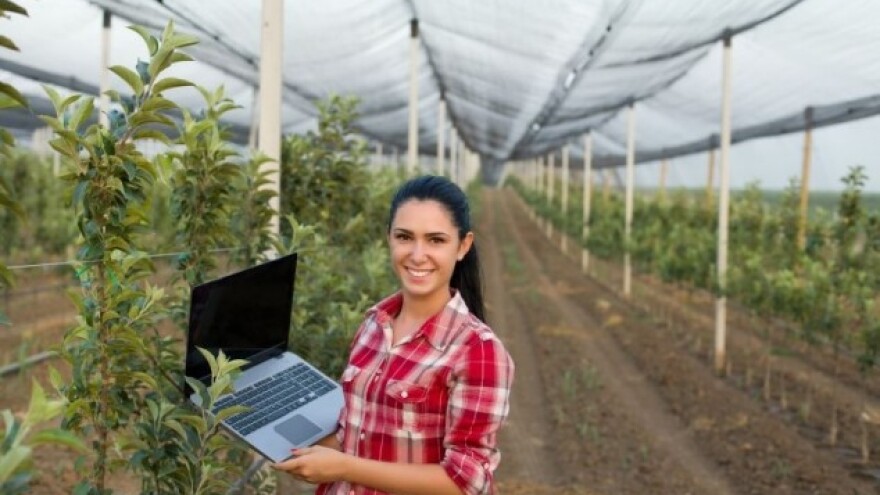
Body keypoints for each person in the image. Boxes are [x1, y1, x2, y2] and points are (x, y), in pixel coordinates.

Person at [274, 175, 515, 494]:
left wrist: (344, 466)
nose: (417, 254)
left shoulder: (477, 351)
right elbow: (358, 434)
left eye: (436, 240)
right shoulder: (373, 325)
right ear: (389, 237)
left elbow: (465, 481)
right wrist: (286, 440)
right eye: (404, 237)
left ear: (463, 246)